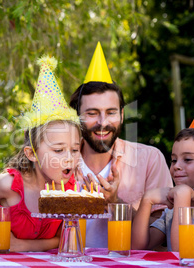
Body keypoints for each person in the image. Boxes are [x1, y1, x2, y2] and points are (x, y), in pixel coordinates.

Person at [0, 56, 81, 252]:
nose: (69, 158)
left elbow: (65, 239)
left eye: (75, 149)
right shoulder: (8, 185)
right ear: (31, 153)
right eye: (58, 150)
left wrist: (22, 245)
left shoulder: (69, 190)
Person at [69, 42, 173, 248]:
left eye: (111, 112)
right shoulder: (58, 162)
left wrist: (115, 202)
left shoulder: (150, 159)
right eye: (91, 113)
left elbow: (159, 233)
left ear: (122, 115)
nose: (102, 122)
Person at [132, 127, 194, 251]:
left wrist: (182, 197)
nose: (176, 166)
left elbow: (183, 257)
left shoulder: (179, 203)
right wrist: (146, 200)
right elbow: (137, 247)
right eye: (174, 160)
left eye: (188, 159)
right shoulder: (170, 213)